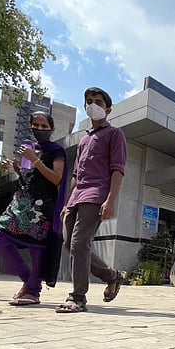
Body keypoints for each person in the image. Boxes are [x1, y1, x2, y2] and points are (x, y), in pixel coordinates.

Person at [56, 87, 129, 313]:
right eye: (89, 101)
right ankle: (112, 275)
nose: (92, 105)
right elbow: (76, 175)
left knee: (79, 243)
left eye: (97, 101)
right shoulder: (83, 140)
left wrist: (110, 200)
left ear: (108, 109)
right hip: (77, 197)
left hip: (97, 194)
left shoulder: (114, 134)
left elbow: (118, 169)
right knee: (71, 244)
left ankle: (77, 297)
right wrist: (67, 202)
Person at [0, 111, 68, 306]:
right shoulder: (29, 148)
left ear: (52, 129)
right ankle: (29, 281)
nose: (40, 129)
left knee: (36, 248)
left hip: (41, 206)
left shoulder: (56, 150)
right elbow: (30, 176)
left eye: (44, 126)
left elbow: (56, 178)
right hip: (20, 202)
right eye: (36, 125)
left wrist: (35, 159)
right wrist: (17, 168)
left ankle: (33, 292)